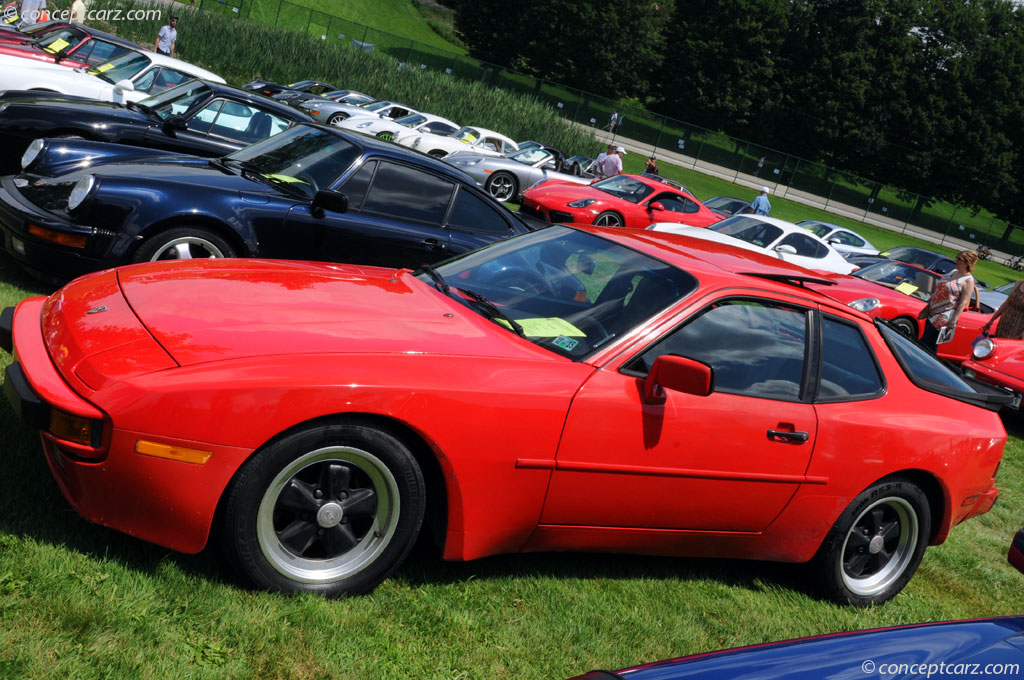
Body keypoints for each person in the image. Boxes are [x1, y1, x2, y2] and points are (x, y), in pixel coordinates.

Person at [920, 250, 978, 353]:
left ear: (966, 262)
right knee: (926, 342)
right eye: (957, 257)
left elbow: (962, 303)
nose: (956, 260)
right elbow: (938, 290)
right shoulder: (953, 272)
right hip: (932, 312)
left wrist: (953, 321)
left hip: (944, 316)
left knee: (927, 344)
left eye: (959, 259)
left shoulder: (968, 280)